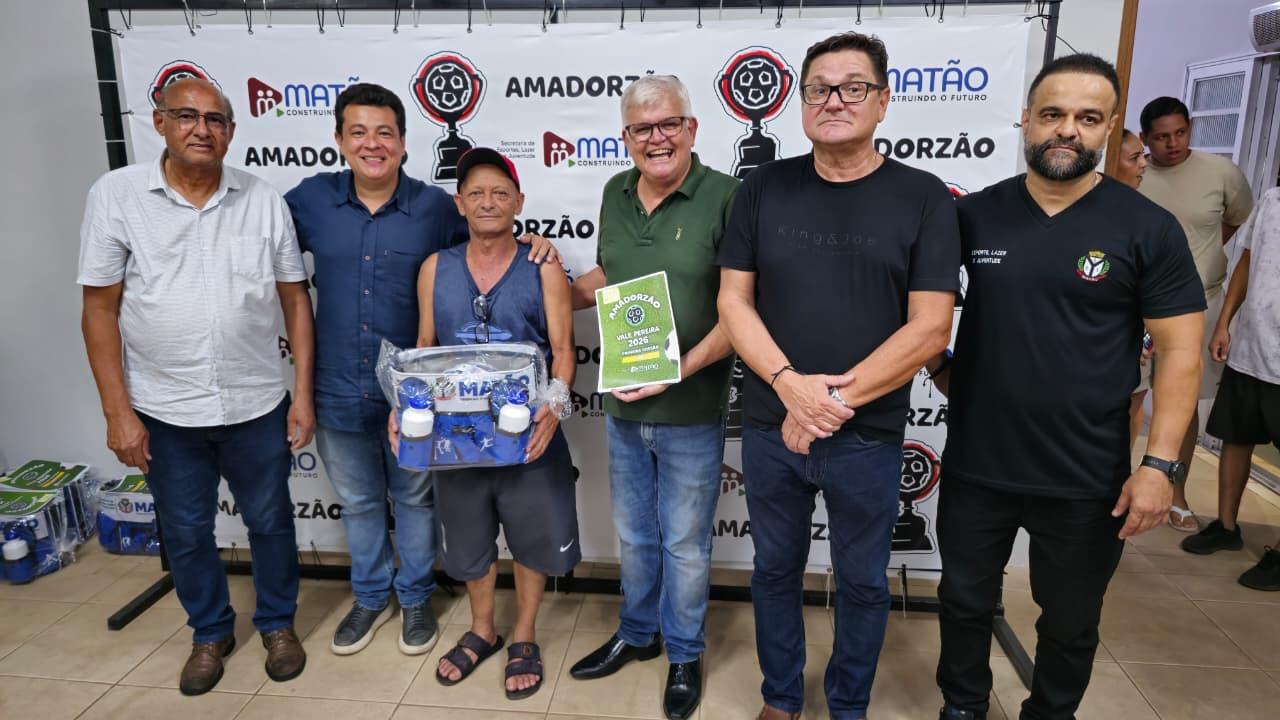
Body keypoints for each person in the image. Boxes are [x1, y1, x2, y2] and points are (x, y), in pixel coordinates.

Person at [931, 55, 1206, 720]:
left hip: (1086, 473)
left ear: (1109, 128)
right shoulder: (976, 216)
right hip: (979, 461)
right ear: (1026, 119)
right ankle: (962, 707)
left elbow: (1180, 352)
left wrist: (1160, 466)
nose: (1067, 130)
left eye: (1087, 118)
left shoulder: (1146, 227)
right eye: (1052, 114)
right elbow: (917, 306)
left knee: (1070, 620)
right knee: (963, 601)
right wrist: (941, 368)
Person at [717, 32, 960, 720]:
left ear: (882, 101)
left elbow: (930, 329)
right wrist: (790, 387)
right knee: (773, 570)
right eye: (819, 88)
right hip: (771, 426)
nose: (834, 101)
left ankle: (848, 704)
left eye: (853, 87)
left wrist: (828, 402)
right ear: (802, 102)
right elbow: (733, 302)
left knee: (861, 581)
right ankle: (781, 698)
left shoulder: (923, 197)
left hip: (867, 433)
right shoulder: (762, 188)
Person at [286, 84, 558, 657]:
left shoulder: (435, 208)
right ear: (338, 139)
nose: (372, 144)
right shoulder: (309, 201)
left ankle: (414, 598)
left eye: (385, 132)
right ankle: (368, 597)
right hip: (337, 386)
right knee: (359, 503)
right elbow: (264, 254)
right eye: (358, 132)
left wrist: (535, 241)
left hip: (420, 398)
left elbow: (490, 248)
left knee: (414, 500)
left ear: (404, 143)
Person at [79, 77, 313, 695]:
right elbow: (99, 310)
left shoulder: (262, 199)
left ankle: (277, 624)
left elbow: (295, 299)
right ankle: (209, 633)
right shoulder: (117, 196)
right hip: (164, 408)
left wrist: (303, 393)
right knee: (185, 531)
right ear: (160, 122)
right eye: (186, 116)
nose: (201, 129)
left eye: (215, 120)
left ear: (231, 131)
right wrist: (117, 412)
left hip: (255, 401)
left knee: (271, 521)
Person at [565, 75, 738, 720]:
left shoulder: (728, 196)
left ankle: (685, 652)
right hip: (623, 406)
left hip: (691, 409)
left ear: (691, 128)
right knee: (635, 537)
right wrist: (545, 285)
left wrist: (680, 371)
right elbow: (608, 275)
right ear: (626, 137)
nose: (657, 138)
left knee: (685, 545)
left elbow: (742, 309)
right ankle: (638, 634)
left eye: (669, 124)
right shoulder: (615, 191)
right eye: (643, 128)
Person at [391, 148, 577, 700]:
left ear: (519, 201)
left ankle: (524, 634)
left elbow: (565, 350)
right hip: (456, 438)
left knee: (532, 538)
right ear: (459, 203)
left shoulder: (543, 265)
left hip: (528, 433)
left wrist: (555, 407)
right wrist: (402, 407)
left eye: (500, 192)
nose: (488, 202)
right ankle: (482, 630)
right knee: (469, 539)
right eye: (476, 193)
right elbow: (423, 348)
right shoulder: (435, 268)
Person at [1139, 96, 1254, 531]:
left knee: (1181, 404)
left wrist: (1199, 257)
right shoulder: (1133, 174)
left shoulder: (1221, 173)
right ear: (1145, 138)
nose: (1173, 144)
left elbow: (1237, 221)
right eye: (1161, 137)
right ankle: (1115, 486)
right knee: (1124, 400)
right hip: (1134, 309)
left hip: (1196, 303)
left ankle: (1176, 492)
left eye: (1181, 133)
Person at [1180, 186, 1280, 592]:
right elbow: (1247, 262)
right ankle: (1226, 526)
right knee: (1236, 438)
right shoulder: (1272, 200)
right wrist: (1224, 322)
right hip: (1252, 348)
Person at [1110, 129, 1154, 449]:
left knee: (1132, 403)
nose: (1144, 164)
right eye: (1134, 157)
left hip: (1135, 337)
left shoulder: (1148, 218)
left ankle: (1119, 472)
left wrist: (1146, 336)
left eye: (1143, 156)